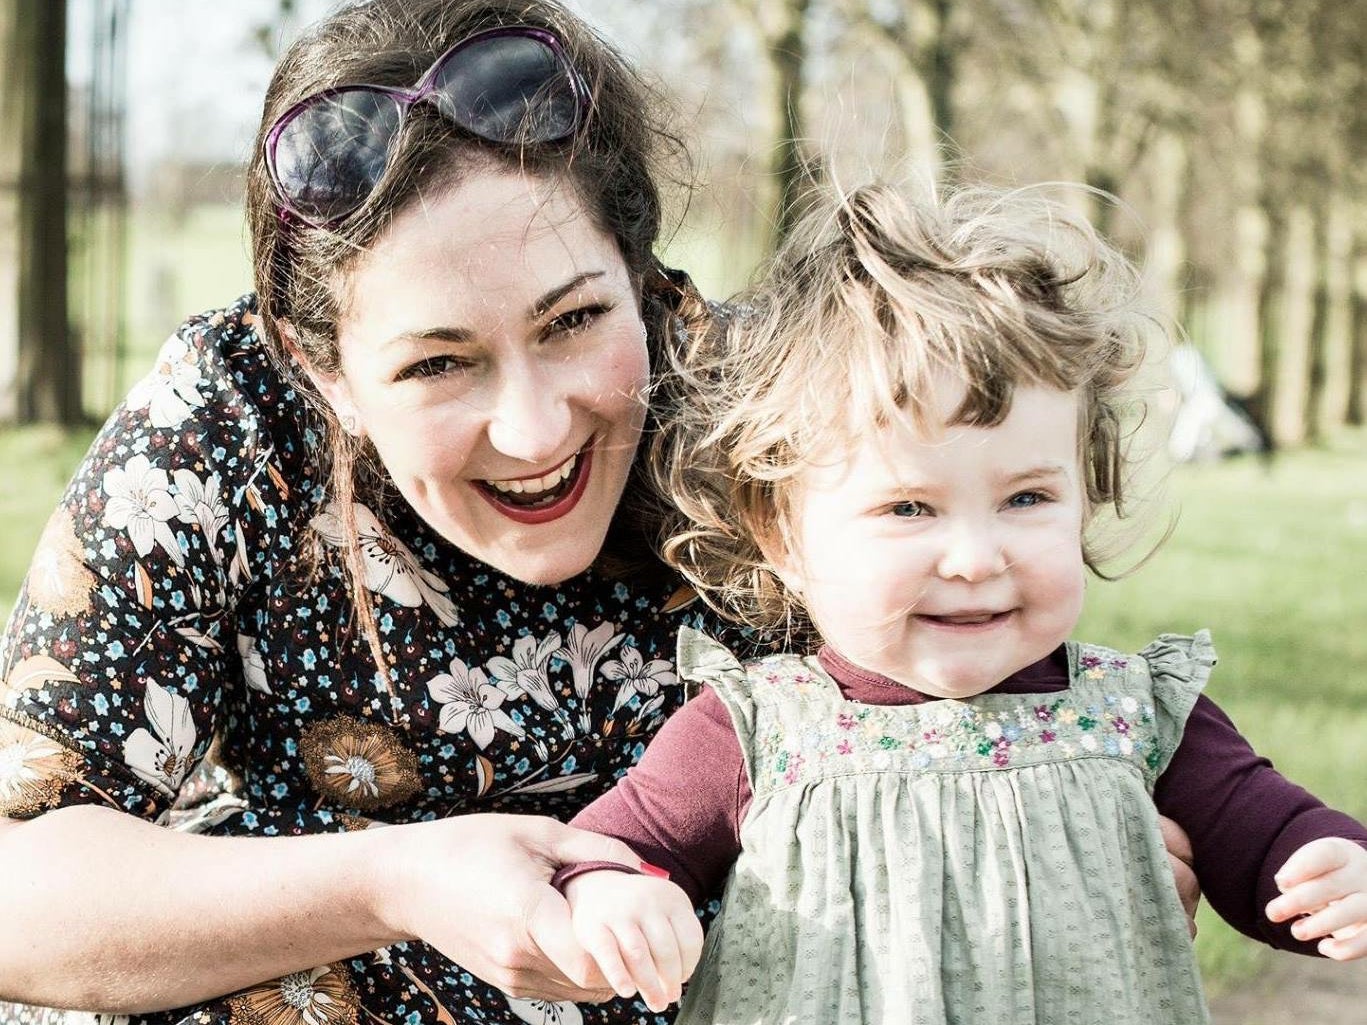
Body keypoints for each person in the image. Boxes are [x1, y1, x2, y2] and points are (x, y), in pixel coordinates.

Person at [0, 3, 1200, 1024]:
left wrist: (1078, 839)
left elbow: (991, 674)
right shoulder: (228, 423)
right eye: (437, 364)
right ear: (325, 371)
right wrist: (393, 881)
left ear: (640, 270)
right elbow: (21, 882)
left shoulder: (777, 416)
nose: (534, 429)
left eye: (575, 320)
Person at [551, 184, 1367, 1022]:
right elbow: (614, 847)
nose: (976, 559)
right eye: (909, 508)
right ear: (782, 533)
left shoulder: (1137, 716)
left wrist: (1327, 867)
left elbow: (1264, 833)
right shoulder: (757, 731)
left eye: (1025, 499)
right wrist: (617, 893)